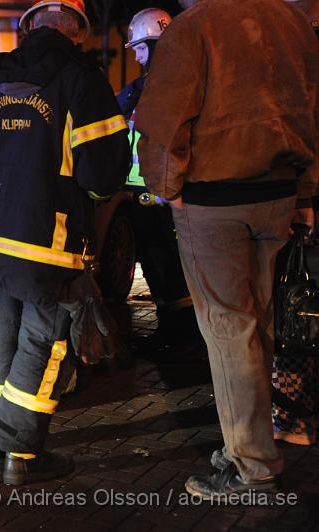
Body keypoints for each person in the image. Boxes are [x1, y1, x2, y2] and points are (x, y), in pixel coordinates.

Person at [0, 0, 130, 486]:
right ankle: (20, 456)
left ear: (26, 26)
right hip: (50, 248)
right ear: (78, 32)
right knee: (41, 345)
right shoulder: (83, 77)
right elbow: (103, 175)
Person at [135, 0, 319, 499]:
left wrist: (167, 186)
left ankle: (252, 465)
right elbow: (309, 110)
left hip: (214, 201)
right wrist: (304, 193)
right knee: (256, 325)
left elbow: (163, 115)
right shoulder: (291, 22)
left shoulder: (195, 26)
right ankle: (255, 444)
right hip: (277, 193)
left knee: (228, 329)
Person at [118, 8, 195, 345]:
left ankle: (183, 339)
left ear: (154, 44)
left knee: (171, 266)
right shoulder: (138, 89)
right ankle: (172, 333)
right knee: (154, 263)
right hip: (142, 191)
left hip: (165, 194)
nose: (135, 55)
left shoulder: (172, 87)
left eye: (138, 48)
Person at [271, 0, 319, 448]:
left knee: (296, 309)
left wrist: (303, 198)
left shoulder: (291, 54)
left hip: (305, 201)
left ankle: (293, 420)